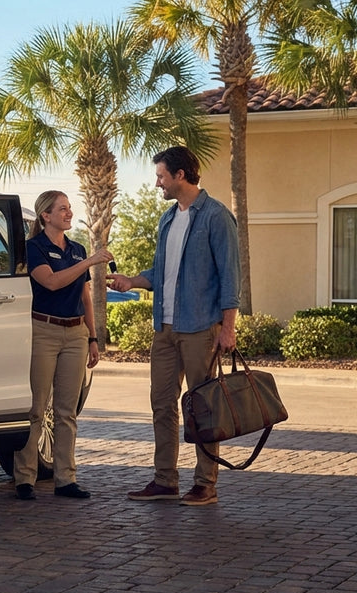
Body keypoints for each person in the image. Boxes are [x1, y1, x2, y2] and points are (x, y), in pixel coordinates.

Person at [107, 145, 241, 506]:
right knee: (161, 404)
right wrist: (132, 281)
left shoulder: (216, 217)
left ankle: (205, 483)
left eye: (161, 176)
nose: (157, 184)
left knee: (203, 406)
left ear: (180, 175)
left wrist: (227, 328)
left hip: (200, 327)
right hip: (164, 330)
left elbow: (231, 278)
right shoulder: (167, 218)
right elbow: (163, 274)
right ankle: (165, 480)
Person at [15, 190, 113, 500]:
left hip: (76, 335)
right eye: (62, 209)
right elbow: (52, 282)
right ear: (45, 215)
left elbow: (85, 297)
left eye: (70, 208)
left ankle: (65, 479)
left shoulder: (76, 249)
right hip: (42, 331)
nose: (69, 213)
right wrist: (90, 262)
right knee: (35, 409)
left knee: (66, 412)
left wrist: (93, 337)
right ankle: (25, 479)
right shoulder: (33, 248)